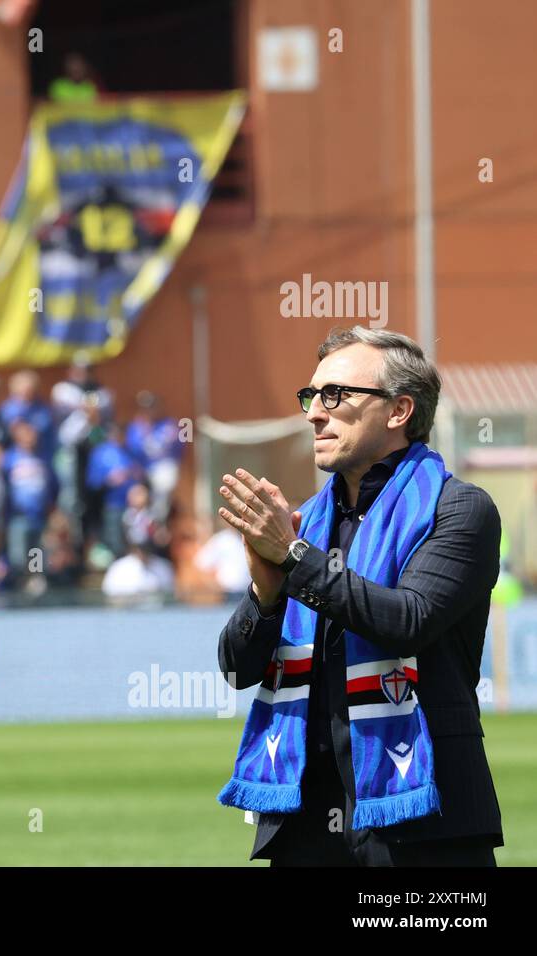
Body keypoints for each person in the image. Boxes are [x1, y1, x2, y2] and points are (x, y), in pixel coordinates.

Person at [216, 326, 504, 866]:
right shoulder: (307, 523)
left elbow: (408, 620)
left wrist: (294, 558)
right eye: (311, 397)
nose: (313, 414)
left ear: (398, 411)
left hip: (423, 823)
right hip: (304, 824)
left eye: (335, 395)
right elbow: (236, 670)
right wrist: (265, 591)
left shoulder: (459, 510)